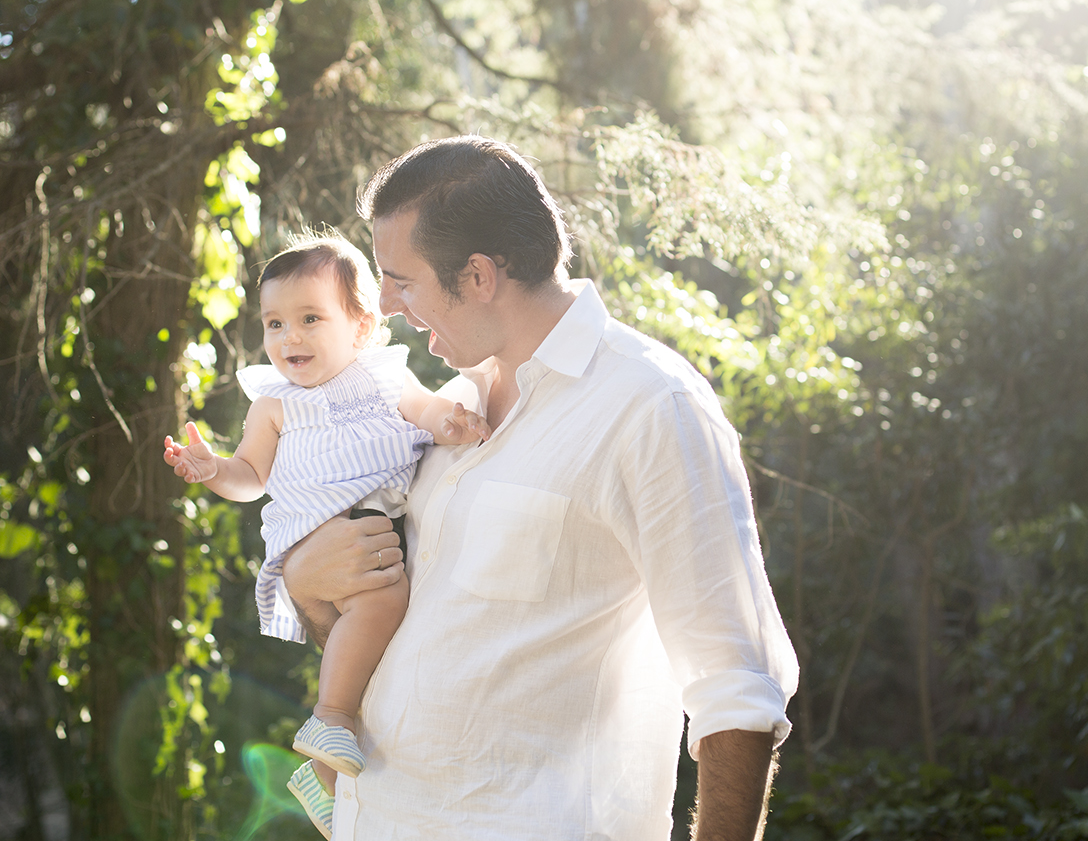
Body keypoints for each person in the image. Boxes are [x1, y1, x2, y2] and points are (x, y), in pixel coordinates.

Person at [281, 136, 799, 841]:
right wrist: (310, 588)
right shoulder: (447, 410)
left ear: (479, 276)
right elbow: (398, 638)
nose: (388, 306)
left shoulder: (651, 406)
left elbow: (737, 689)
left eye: (402, 280)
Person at [161, 232, 490, 838]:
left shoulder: (385, 379)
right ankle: (328, 721)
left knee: (381, 636)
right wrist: (212, 470)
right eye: (275, 323)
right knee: (384, 604)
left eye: (311, 318)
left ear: (361, 327)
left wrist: (455, 420)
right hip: (317, 534)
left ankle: (327, 772)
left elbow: (427, 413)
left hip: (372, 529)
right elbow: (250, 476)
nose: (290, 337)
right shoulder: (274, 405)